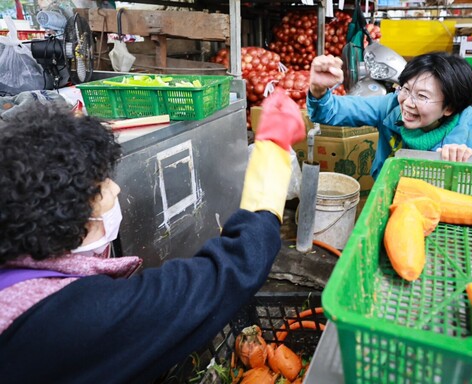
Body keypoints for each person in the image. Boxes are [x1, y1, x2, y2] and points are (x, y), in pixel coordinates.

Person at [0, 88, 305, 383]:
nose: (116, 189)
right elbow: (225, 274)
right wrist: (272, 157)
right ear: (65, 213)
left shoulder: (17, 275)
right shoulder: (69, 320)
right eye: (103, 185)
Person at [307, 51, 472, 179]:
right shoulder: (391, 106)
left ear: (449, 108)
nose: (407, 103)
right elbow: (330, 111)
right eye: (406, 89)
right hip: (390, 198)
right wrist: (318, 90)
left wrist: (471, 165)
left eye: (422, 96)